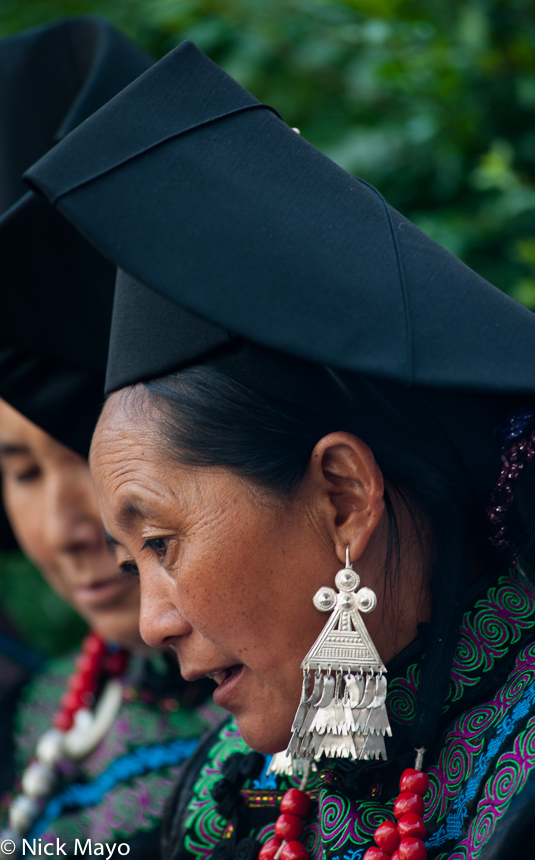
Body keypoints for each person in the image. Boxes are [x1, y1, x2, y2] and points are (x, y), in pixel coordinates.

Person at [25, 41, 535, 860]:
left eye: (163, 543)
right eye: (135, 563)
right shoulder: (229, 795)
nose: (152, 622)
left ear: (344, 498)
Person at [0, 24, 221, 858]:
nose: (68, 525)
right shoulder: (35, 720)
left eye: (86, 459)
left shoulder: (305, 723)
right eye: (19, 469)